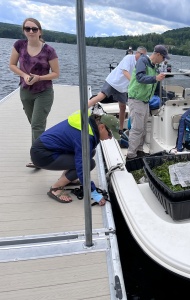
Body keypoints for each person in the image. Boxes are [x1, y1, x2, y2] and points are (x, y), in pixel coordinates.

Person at [30, 110, 120, 205]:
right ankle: (56, 188)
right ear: (101, 127)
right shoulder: (85, 137)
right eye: (110, 134)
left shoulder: (87, 122)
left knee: (91, 152)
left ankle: (69, 178)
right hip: (42, 155)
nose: (110, 138)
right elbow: (82, 166)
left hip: (47, 148)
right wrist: (93, 192)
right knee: (89, 164)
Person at [9, 17, 60, 168]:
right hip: (25, 91)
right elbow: (12, 65)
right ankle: (48, 146)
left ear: (40, 31)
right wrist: (24, 75)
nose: (31, 31)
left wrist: (39, 78)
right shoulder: (19, 45)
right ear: (24, 31)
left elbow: (56, 73)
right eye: (27, 28)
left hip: (44, 92)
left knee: (37, 125)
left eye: (34, 29)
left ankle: (38, 159)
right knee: (34, 124)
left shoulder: (49, 50)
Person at [88, 46, 147, 134]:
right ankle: (83, 109)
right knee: (100, 96)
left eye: (144, 55)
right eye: (141, 54)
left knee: (122, 107)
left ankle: (120, 128)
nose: (143, 57)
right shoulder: (128, 58)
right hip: (113, 81)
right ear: (137, 53)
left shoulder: (142, 63)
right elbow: (125, 72)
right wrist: (133, 83)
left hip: (122, 87)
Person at [126, 45, 170, 160]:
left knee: (143, 128)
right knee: (137, 128)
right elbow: (140, 77)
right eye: (163, 57)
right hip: (136, 99)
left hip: (145, 101)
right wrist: (155, 78)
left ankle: (139, 151)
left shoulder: (155, 67)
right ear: (158, 55)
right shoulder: (143, 60)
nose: (164, 60)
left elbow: (154, 85)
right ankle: (131, 155)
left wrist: (166, 95)